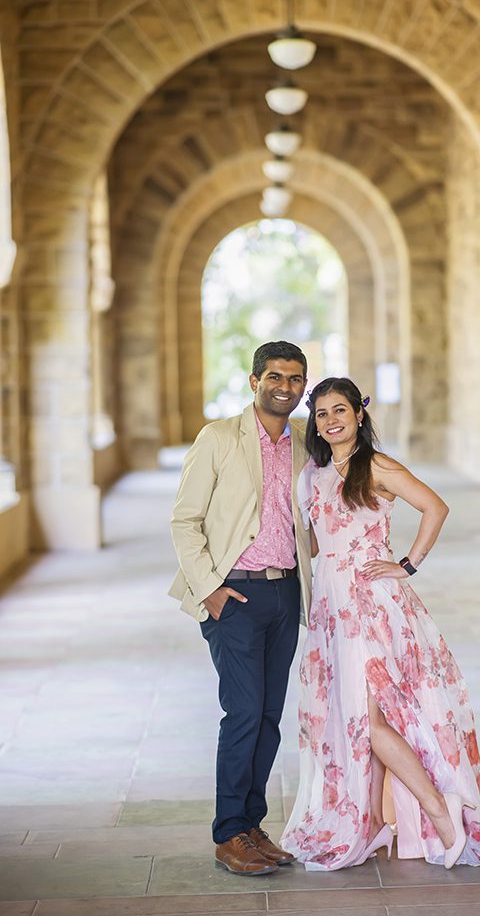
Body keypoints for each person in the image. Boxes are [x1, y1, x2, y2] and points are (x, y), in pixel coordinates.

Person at [281, 377, 480, 871]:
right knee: (353, 718)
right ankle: (370, 821)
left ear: (359, 415)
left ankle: (441, 811)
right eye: (323, 413)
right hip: (332, 608)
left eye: (341, 411)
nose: (331, 421)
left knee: (369, 721)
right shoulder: (312, 475)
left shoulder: (377, 466)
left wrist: (408, 564)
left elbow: (435, 506)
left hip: (372, 603)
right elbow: (316, 544)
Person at [169, 341, 312, 876]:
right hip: (234, 594)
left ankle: (253, 827)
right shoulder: (218, 438)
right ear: (254, 381)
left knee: (270, 716)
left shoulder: (303, 441)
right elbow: (185, 520)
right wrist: (209, 588)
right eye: (275, 376)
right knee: (244, 712)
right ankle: (229, 833)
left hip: (285, 591)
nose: (285, 386)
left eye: (296, 378)